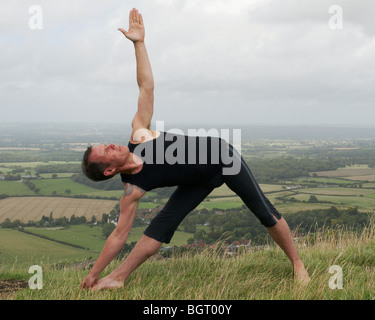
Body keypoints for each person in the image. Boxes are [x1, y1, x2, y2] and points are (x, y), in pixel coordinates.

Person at [80, 8, 309, 291]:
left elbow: (146, 86)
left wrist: (139, 44)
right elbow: (118, 235)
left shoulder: (140, 133)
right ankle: (117, 277)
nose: (112, 144)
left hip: (223, 159)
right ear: (110, 169)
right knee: (159, 229)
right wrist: (94, 272)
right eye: (107, 151)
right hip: (196, 181)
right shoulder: (131, 190)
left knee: (263, 210)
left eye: (106, 143)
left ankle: (298, 266)